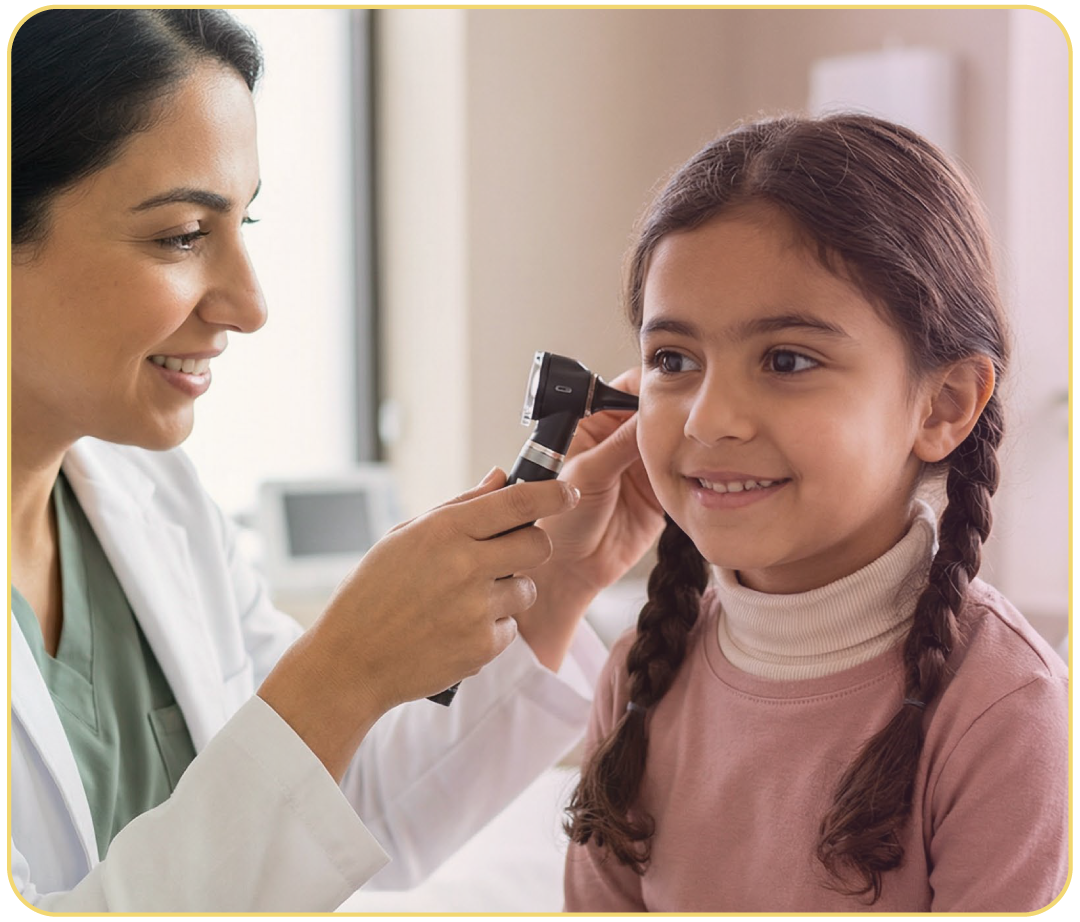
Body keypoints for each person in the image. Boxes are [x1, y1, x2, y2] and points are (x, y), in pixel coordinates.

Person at [9, 9, 664, 912]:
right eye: (182, 235)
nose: (250, 304)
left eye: (246, 223)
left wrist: (558, 581)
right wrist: (342, 670)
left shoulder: (155, 501)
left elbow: (338, 819)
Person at [562, 114, 1068, 912]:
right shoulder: (637, 676)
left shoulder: (1003, 709)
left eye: (788, 360)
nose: (707, 419)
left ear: (944, 404)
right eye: (673, 360)